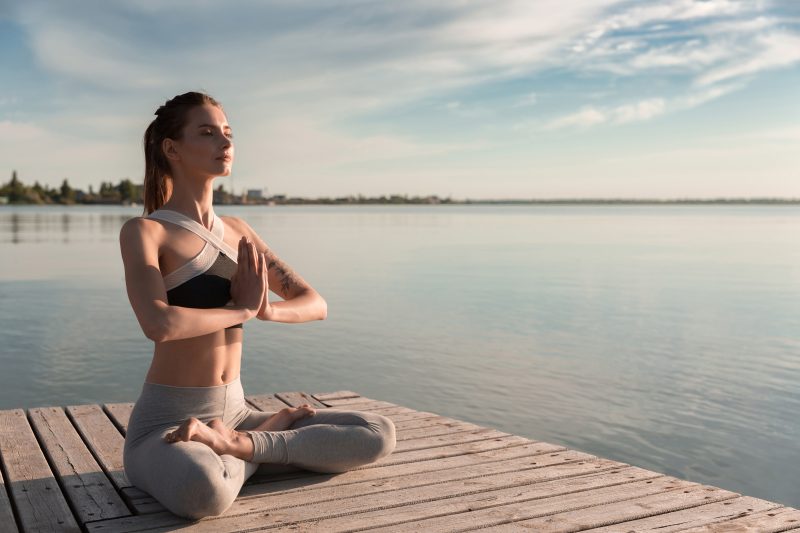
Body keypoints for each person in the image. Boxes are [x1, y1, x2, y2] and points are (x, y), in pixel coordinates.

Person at [119, 91, 396, 520]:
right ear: (171, 148)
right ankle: (259, 444)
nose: (225, 143)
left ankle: (238, 445)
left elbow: (314, 303)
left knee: (377, 432)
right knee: (203, 491)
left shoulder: (238, 230)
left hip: (236, 411)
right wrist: (242, 311)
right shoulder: (145, 232)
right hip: (166, 423)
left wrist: (266, 310)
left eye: (228, 133)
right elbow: (159, 323)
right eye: (208, 133)